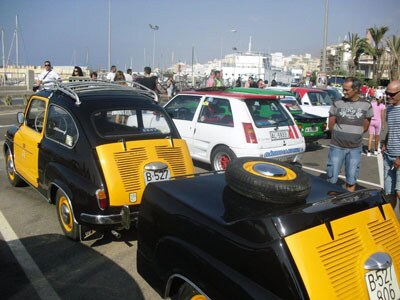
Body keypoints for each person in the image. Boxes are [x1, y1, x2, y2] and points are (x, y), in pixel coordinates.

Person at [326, 77, 373, 192]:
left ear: (356, 89)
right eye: (344, 89)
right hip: (337, 146)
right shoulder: (337, 103)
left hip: (355, 148)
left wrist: (354, 134)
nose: (344, 92)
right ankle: (329, 205)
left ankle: (348, 203)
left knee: (351, 179)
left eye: (347, 90)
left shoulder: (366, 105)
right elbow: (331, 124)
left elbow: (366, 126)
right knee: (332, 178)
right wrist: (339, 135)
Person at [381, 80, 400, 211]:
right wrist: (385, 143)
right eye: (387, 93)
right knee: (389, 193)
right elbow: (391, 129)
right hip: (388, 156)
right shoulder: (389, 109)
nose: (388, 96)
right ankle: (392, 222)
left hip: (399, 157)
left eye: (392, 94)